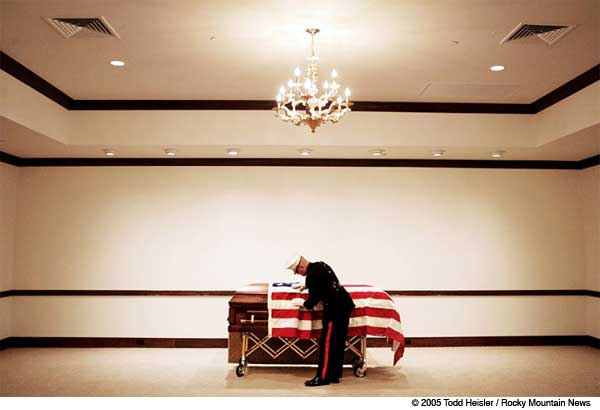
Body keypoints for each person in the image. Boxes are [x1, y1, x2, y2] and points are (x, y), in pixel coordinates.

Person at [286, 255, 355, 387]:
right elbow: (326, 282)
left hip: (334, 309)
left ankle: (322, 377)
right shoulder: (320, 264)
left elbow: (312, 302)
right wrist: (306, 285)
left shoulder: (312, 275)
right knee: (338, 342)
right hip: (344, 304)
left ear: (301, 266)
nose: (297, 274)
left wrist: (302, 303)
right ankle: (334, 375)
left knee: (327, 344)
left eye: (296, 271)